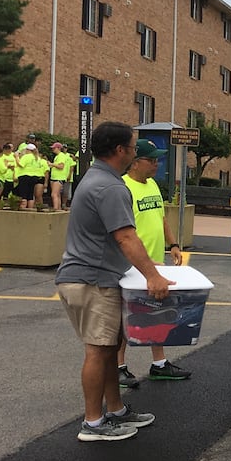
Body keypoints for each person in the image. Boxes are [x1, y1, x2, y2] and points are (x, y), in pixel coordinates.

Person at [56, 121, 170, 443]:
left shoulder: (96, 178)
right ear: (120, 150)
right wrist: (153, 276)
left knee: (107, 350)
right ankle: (92, 422)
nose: (135, 153)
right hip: (92, 280)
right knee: (97, 350)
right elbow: (125, 237)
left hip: (90, 277)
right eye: (133, 147)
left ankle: (116, 410)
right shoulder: (111, 187)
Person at [116, 138, 193, 389]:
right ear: (135, 162)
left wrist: (173, 244)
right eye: (152, 160)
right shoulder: (123, 187)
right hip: (131, 264)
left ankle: (159, 364)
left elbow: (160, 218)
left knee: (155, 312)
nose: (156, 164)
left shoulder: (152, 186)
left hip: (154, 264)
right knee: (122, 318)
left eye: (157, 159)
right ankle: (118, 367)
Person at [50, 142, 75, 211]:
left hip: (59, 177)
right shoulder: (57, 156)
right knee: (57, 195)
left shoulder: (61, 156)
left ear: (58, 148)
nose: (53, 149)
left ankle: (55, 208)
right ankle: (58, 208)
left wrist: (51, 164)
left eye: (54, 148)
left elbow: (61, 166)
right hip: (55, 177)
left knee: (54, 194)